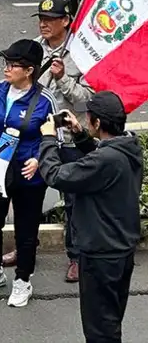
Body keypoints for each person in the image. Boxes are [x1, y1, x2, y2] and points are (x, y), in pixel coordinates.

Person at [38, 92, 142, 343]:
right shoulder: (129, 147)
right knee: (111, 320)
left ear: (97, 123)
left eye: (88, 119)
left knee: (100, 331)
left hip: (100, 255)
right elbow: (99, 158)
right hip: (121, 251)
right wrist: (81, 136)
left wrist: (49, 139)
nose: (84, 120)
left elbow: (56, 175)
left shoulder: (105, 160)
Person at [3, 0, 93, 281]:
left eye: (51, 19)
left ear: (66, 21)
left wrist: (65, 78)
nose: (44, 24)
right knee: (25, 195)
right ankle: (25, 247)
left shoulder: (83, 51)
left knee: (72, 199)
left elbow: (86, 101)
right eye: (41, 19)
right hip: (37, 136)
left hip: (68, 138)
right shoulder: (34, 49)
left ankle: (75, 256)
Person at [0, 39, 58, 308]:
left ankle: (23, 281)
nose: (6, 68)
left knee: (26, 228)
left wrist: (38, 159)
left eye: (13, 64)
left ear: (29, 70)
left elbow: (57, 137)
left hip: (28, 173)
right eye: (5, 63)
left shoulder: (44, 100)